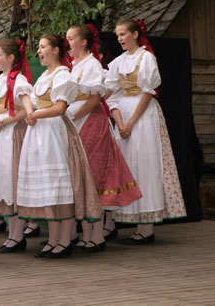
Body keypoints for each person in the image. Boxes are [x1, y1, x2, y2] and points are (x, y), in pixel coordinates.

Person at [18, 34, 101, 258]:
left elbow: (60, 107)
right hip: (39, 133)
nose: (39, 52)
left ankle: (65, 240)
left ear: (56, 50)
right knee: (47, 185)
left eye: (43, 47)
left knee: (59, 183)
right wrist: (29, 110)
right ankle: (54, 238)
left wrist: (35, 114)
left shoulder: (63, 75)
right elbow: (32, 101)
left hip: (54, 132)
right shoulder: (44, 76)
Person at [105, 19, 186, 244]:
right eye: (118, 35)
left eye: (123, 34)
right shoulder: (117, 63)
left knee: (146, 164)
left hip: (142, 116)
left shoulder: (146, 58)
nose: (120, 38)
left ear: (135, 34)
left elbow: (147, 92)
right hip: (123, 114)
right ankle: (129, 222)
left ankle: (146, 227)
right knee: (128, 166)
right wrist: (120, 123)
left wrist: (131, 123)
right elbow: (112, 96)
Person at [66, 24, 142, 251]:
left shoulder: (91, 65)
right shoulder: (74, 66)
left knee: (94, 175)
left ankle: (96, 235)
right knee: (82, 176)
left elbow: (94, 99)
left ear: (83, 41)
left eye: (71, 38)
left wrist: (73, 116)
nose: (67, 43)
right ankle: (87, 233)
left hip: (90, 123)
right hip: (77, 123)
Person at [0, 39, 33, 253]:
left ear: (11, 58)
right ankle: (12, 234)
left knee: (12, 179)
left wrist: (4, 121)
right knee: (0, 178)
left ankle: (17, 235)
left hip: (12, 132)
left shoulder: (18, 80)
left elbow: (24, 109)